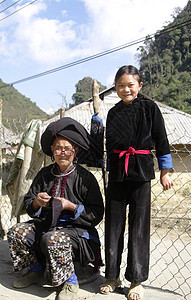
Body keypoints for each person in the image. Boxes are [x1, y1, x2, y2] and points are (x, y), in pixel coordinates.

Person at [7, 117, 104, 300]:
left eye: (67, 148)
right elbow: (29, 203)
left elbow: (96, 213)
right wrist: (36, 202)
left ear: (75, 151)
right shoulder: (44, 174)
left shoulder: (85, 178)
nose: (63, 153)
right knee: (16, 232)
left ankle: (70, 280)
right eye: (58, 148)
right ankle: (36, 268)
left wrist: (72, 206)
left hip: (77, 232)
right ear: (52, 150)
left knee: (51, 238)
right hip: (46, 226)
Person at [99, 65, 174, 300]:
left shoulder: (150, 108)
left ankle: (136, 280)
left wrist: (165, 171)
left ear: (139, 86)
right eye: (120, 85)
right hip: (118, 175)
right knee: (113, 227)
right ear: (116, 88)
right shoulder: (113, 113)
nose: (125, 89)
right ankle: (112, 276)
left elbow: (161, 139)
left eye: (130, 84)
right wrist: (109, 169)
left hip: (142, 172)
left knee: (139, 229)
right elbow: (110, 145)